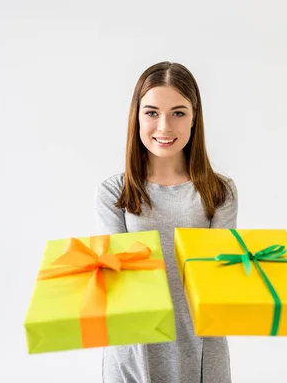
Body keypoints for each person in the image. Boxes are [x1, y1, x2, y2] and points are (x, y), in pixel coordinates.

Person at [94, 61, 238, 383]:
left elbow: (218, 285)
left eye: (178, 113)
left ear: (194, 117)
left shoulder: (219, 192)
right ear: (137, 116)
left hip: (201, 351)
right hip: (133, 352)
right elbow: (117, 285)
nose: (164, 128)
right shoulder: (114, 192)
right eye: (152, 113)